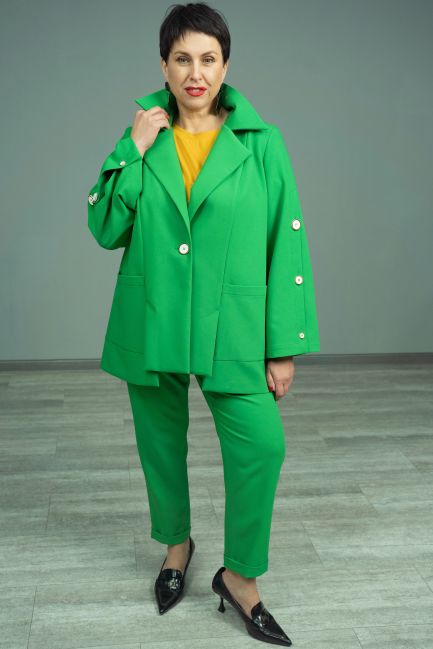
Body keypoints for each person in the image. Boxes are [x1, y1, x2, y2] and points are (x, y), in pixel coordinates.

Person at [87, 2, 320, 645]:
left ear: (226, 66)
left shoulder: (261, 141)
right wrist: (131, 149)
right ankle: (176, 547)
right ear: (163, 65)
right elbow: (105, 227)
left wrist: (282, 345)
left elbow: (286, 242)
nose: (196, 73)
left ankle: (239, 578)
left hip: (234, 323)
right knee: (160, 445)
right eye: (183, 59)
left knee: (262, 446)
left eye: (209, 59)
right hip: (153, 316)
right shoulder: (144, 136)